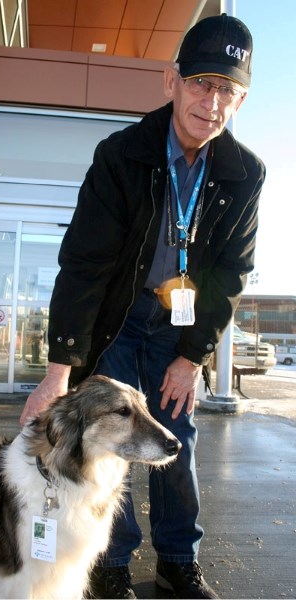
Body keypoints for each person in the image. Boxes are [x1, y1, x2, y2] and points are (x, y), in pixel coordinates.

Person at [21, 13, 265, 600]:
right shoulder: (120, 155)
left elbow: (230, 273)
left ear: (241, 100)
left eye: (228, 90)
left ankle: (179, 559)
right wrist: (61, 369)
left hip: (176, 330)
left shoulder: (244, 173)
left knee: (176, 438)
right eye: (202, 82)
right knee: (115, 440)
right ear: (171, 82)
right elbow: (85, 264)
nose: (212, 102)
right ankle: (111, 563)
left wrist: (192, 356)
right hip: (119, 321)